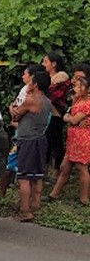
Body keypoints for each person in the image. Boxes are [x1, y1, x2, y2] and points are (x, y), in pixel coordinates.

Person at [9, 68, 52, 222]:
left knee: (24, 177)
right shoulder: (47, 102)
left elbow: (15, 115)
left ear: (35, 84)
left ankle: (25, 210)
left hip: (27, 140)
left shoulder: (31, 100)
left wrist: (11, 106)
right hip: (40, 138)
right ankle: (35, 204)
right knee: (37, 175)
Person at [46, 75, 90, 206]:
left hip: (82, 139)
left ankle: (84, 198)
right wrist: (70, 118)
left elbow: (74, 119)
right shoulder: (76, 101)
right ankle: (54, 194)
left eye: (78, 86)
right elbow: (68, 115)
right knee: (65, 167)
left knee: (82, 168)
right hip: (73, 139)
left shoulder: (87, 104)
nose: (75, 89)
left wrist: (70, 118)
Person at [0, 63, 38, 196]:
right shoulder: (24, 90)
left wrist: (16, 116)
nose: (23, 76)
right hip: (20, 131)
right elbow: (14, 106)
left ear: (32, 78)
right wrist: (12, 110)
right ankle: (3, 193)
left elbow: (18, 112)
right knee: (12, 165)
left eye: (25, 74)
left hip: (25, 134)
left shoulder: (34, 99)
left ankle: (26, 203)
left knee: (21, 170)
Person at [43, 51, 71, 172]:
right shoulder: (46, 78)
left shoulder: (61, 79)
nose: (43, 64)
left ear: (53, 64)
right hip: (45, 114)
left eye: (45, 62)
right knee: (46, 141)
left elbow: (51, 97)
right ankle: (44, 168)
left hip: (56, 114)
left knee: (56, 141)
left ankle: (57, 169)